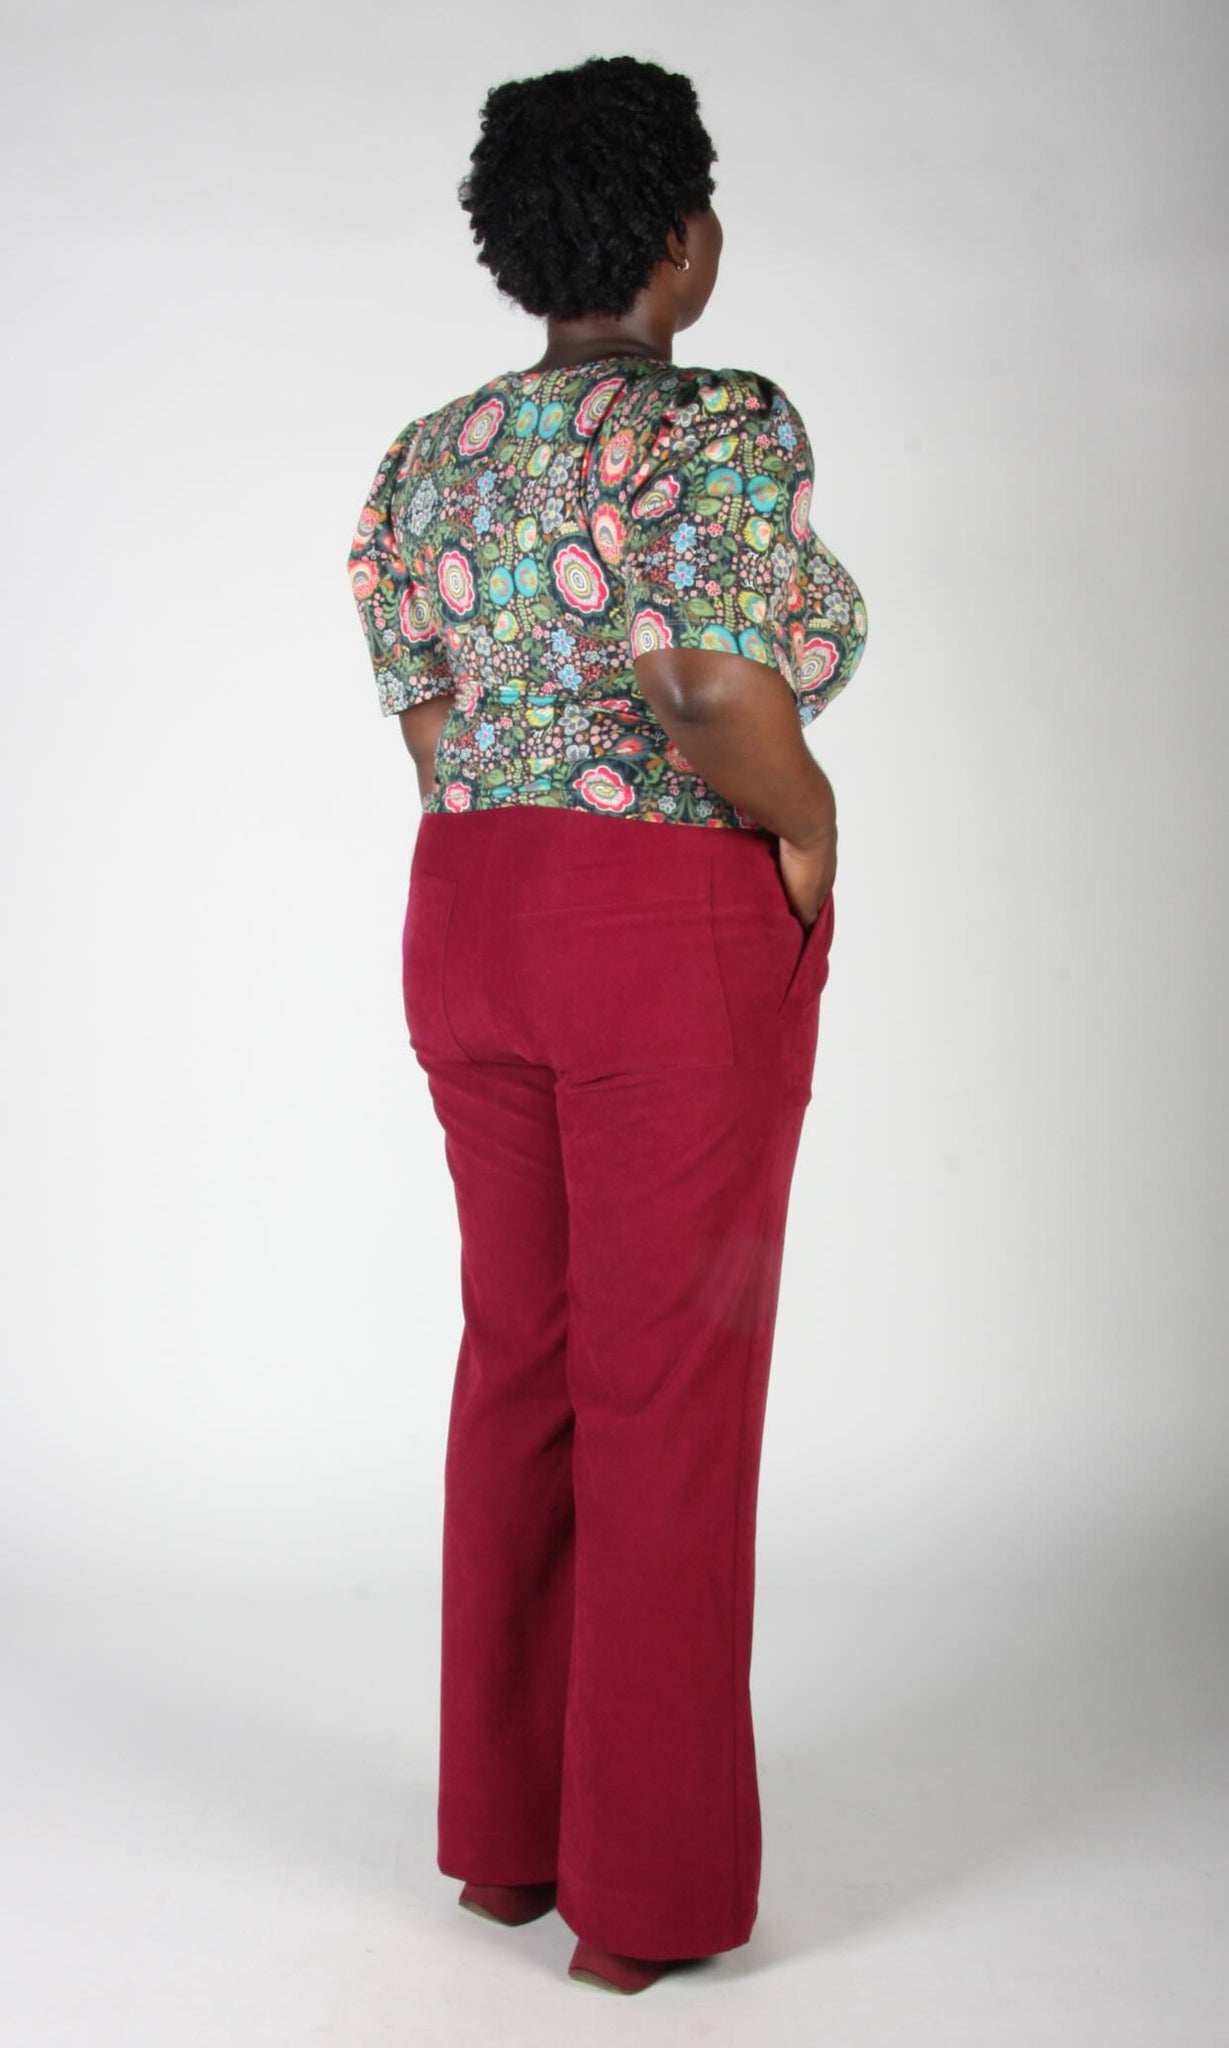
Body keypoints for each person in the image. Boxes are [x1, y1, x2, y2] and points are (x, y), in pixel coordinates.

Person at [345, 53, 868, 1996]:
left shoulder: (430, 455)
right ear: (682, 240)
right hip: (658, 927)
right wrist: (806, 827)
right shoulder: (717, 423)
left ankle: (505, 1847)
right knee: (666, 1396)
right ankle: (640, 1902)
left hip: (472, 913)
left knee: (525, 1366)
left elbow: (428, 718)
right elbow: (711, 683)